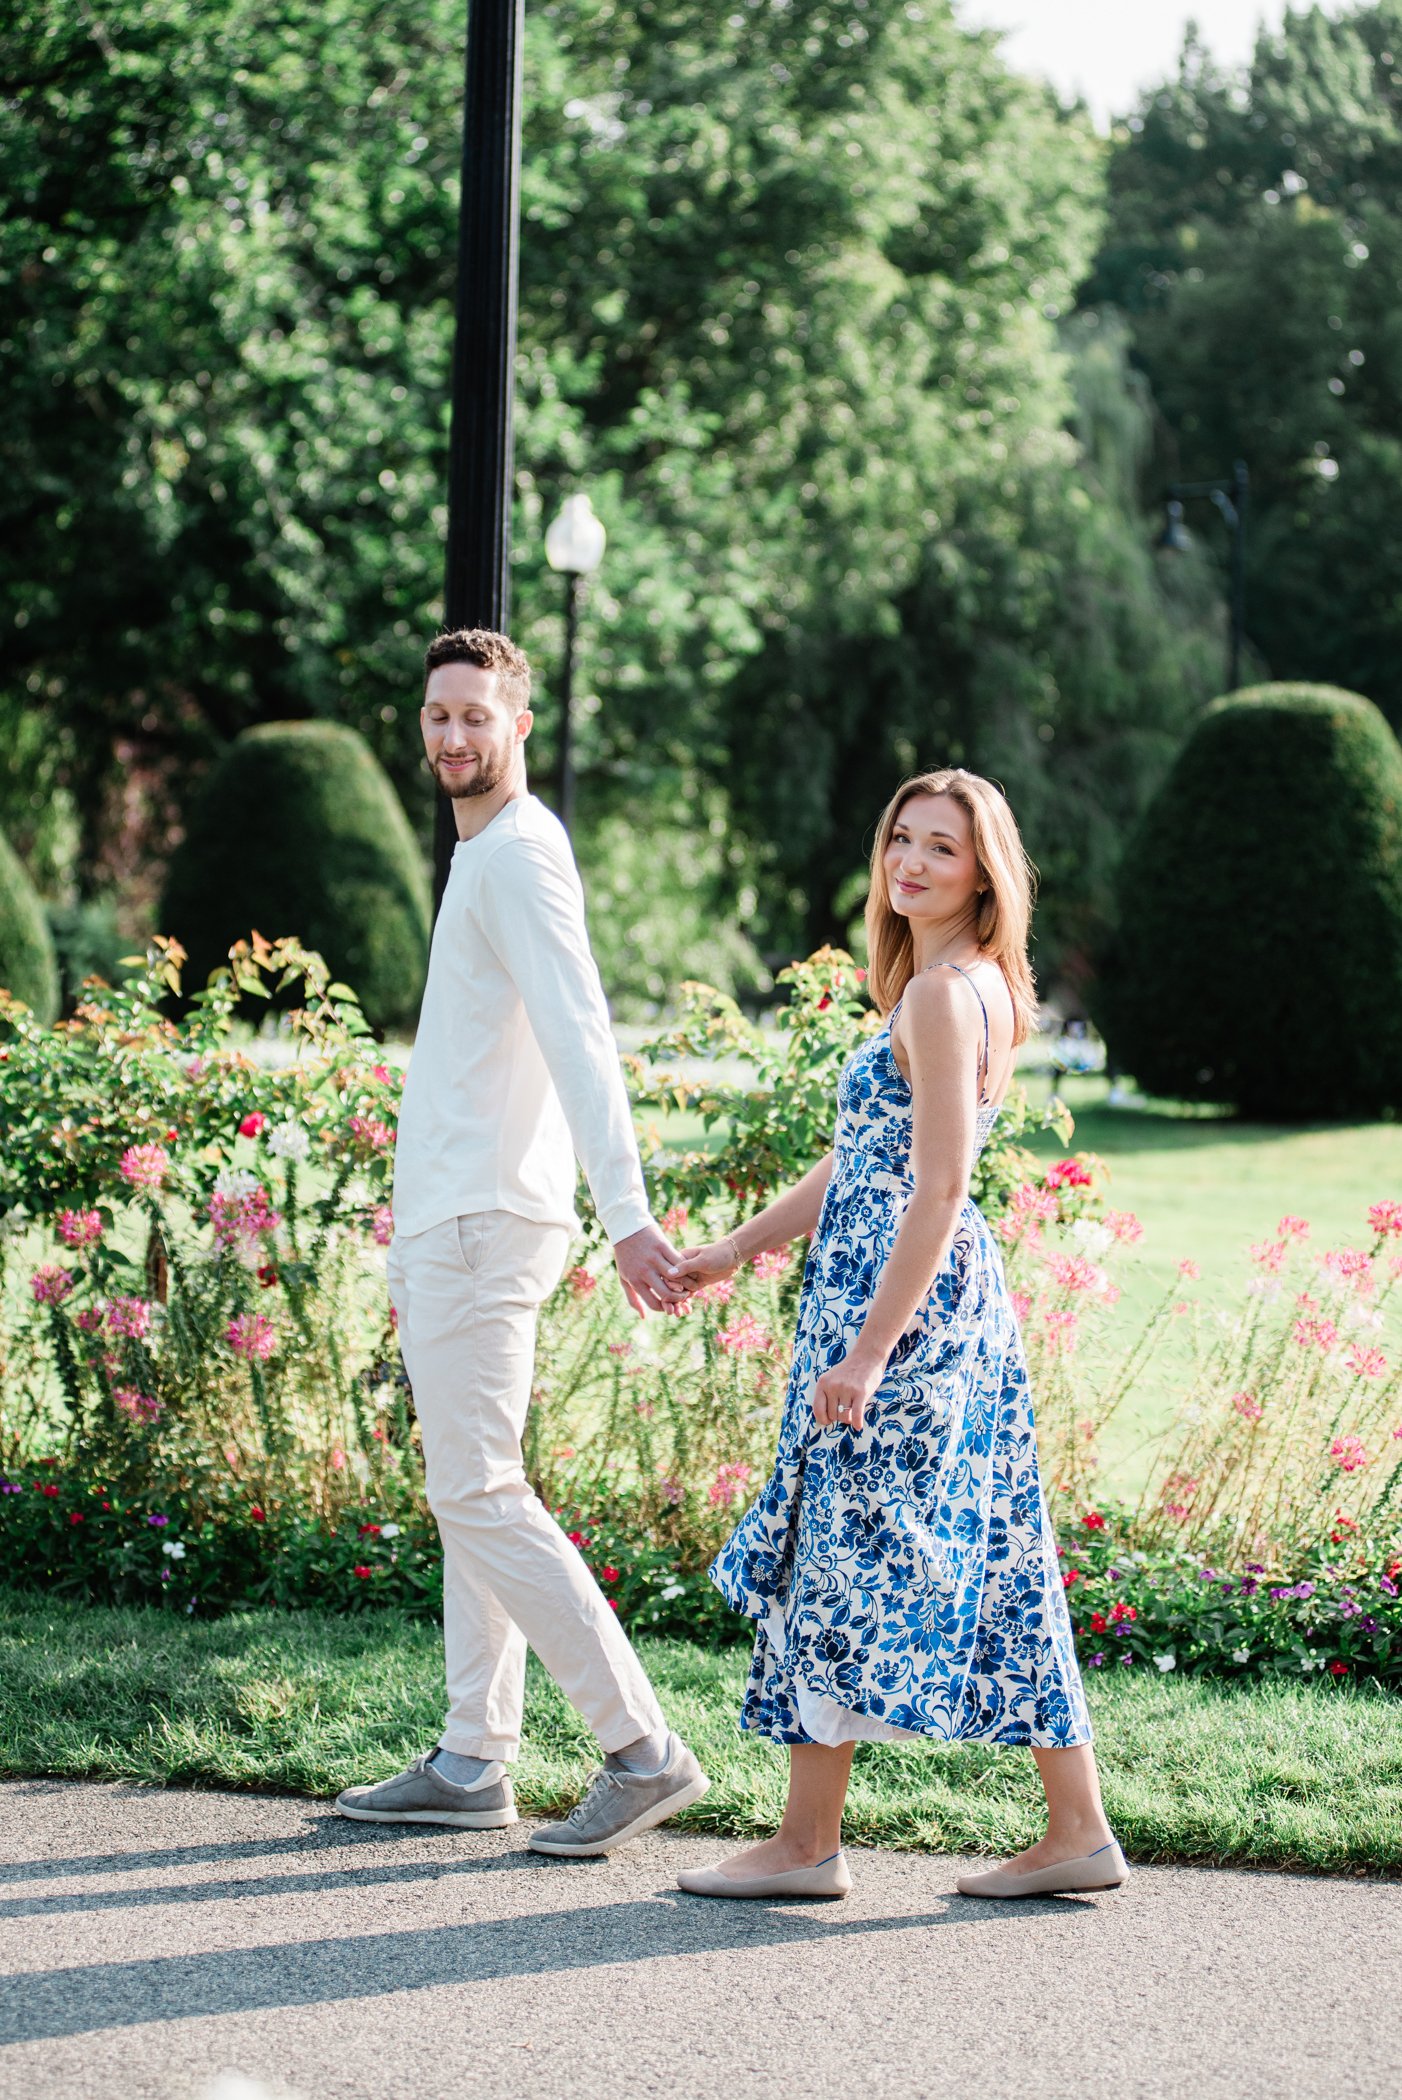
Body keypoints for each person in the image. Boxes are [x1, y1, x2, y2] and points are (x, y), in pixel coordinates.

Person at [665, 768, 1127, 1901]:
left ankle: (804, 1846)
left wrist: (869, 1349)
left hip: (903, 1313)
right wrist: (738, 1248)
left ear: (984, 872)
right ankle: (1076, 1830)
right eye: (900, 840)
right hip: (945, 1308)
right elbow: (863, 1157)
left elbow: (935, 1188)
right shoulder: (969, 986)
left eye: (942, 849)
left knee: (828, 1551)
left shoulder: (938, 997)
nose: (910, 864)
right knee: (1004, 1553)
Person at [336, 628, 708, 1855]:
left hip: (488, 1222)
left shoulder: (519, 855)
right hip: (459, 1214)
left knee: (480, 1488)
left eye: (475, 717)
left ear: (520, 726)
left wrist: (630, 1210)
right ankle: (470, 1757)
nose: (452, 736)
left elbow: (582, 1034)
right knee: (468, 1491)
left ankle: (640, 1747)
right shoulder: (485, 854)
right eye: (437, 715)